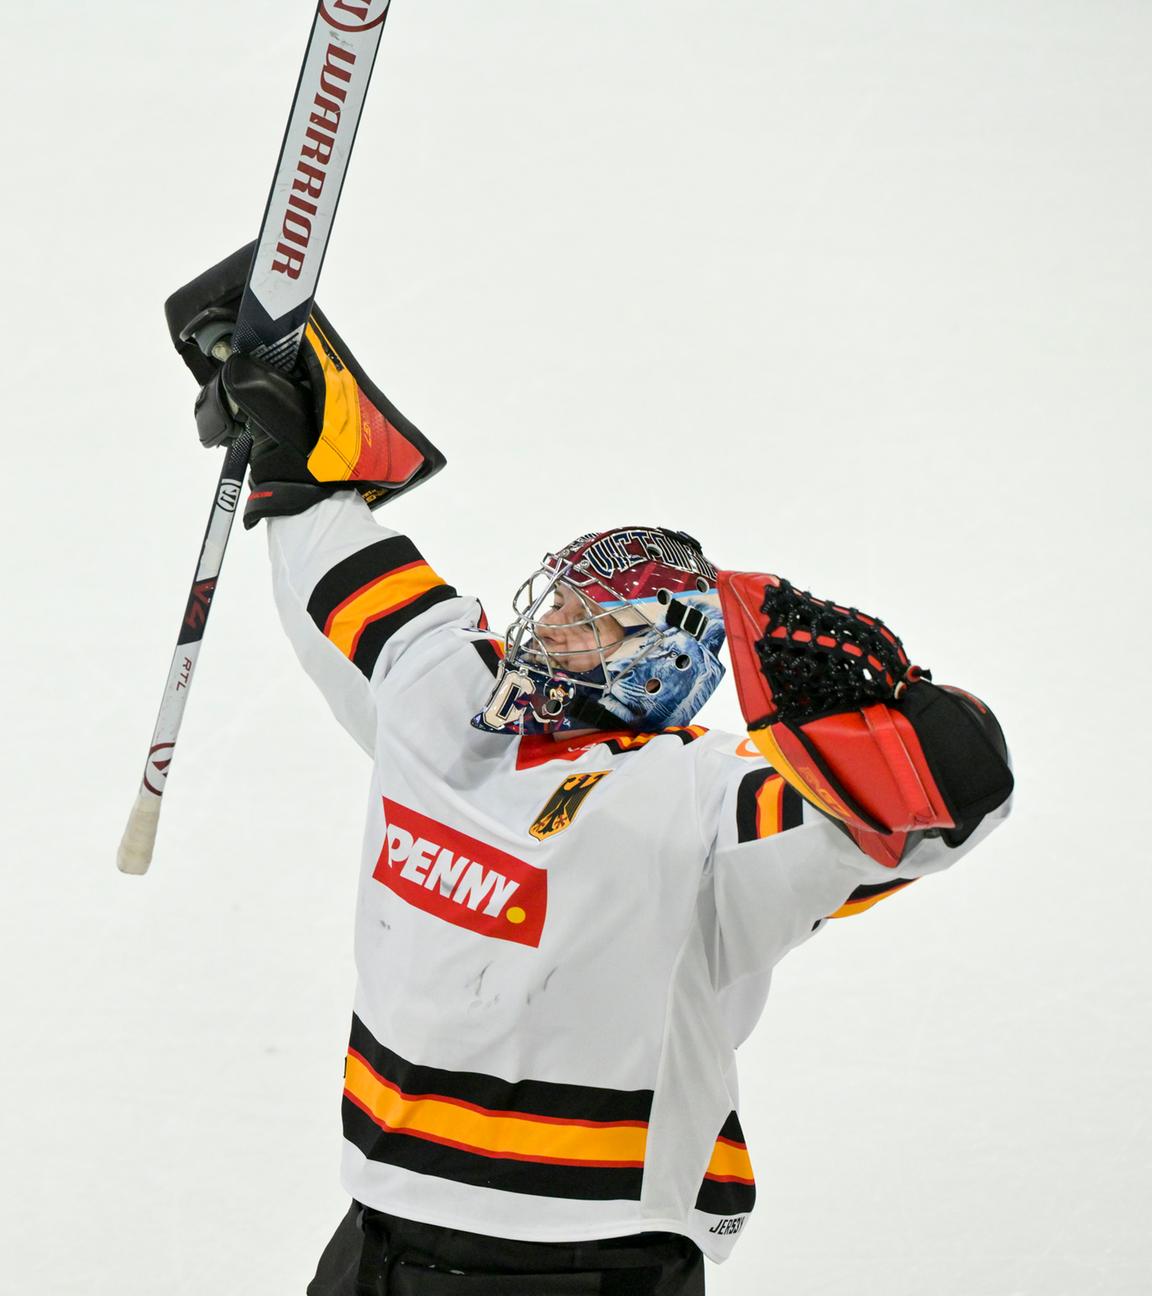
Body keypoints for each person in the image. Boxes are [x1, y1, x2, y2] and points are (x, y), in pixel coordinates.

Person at [168, 248, 1014, 1295]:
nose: (550, 626)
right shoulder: (446, 697)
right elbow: (337, 548)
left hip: (587, 1265)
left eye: (591, 620)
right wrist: (283, 417)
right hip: (377, 1231)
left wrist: (854, 699)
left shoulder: (706, 806)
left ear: (665, 663)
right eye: (558, 600)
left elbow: (949, 800)